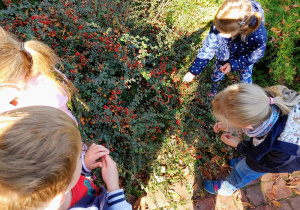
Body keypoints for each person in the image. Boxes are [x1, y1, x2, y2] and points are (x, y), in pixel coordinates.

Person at [0, 27, 98, 177]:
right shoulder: (42, 73)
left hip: (60, 170)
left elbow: (58, 164)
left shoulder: (44, 102)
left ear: (9, 85)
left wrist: (81, 166)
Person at [0, 106, 132, 210]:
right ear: (57, 199)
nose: (82, 154)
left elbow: (62, 178)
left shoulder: (50, 188)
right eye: (78, 158)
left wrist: (84, 166)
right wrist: (114, 187)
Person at [204, 83, 300, 196]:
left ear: (248, 125)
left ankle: (228, 187)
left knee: (244, 169)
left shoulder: (282, 148)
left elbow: (264, 162)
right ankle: (246, 156)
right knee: (252, 153)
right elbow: (259, 135)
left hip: (272, 161)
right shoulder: (266, 101)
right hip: (271, 146)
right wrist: (231, 126)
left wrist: (239, 145)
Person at [183, 0, 267, 96]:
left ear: (242, 28)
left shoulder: (258, 34)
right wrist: (193, 71)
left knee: (245, 82)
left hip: (243, 61)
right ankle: (213, 90)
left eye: (224, 33)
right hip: (223, 56)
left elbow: (256, 54)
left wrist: (233, 64)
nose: (219, 34)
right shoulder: (222, 22)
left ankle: (247, 100)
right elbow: (208, 47)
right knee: (216, 75)